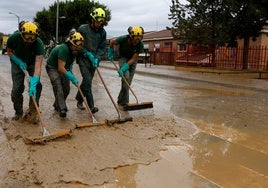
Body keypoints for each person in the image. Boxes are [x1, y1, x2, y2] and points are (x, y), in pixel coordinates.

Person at [7, 21, 45, 123]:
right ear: (21, 34)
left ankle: (33, 113)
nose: (29, 40)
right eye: (27, 36)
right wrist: (18, 61)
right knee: (17, 89)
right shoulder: (13, 38)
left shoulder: (39, 44)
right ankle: (18, 112)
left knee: (37, 87)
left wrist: (34, 81)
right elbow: (9, 51)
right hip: (17, 61)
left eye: (32, 37)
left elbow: (38, 66)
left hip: (32, 63)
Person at [75, 7, 107, 113]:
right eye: (97, 21)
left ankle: (79, 99)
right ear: (92, 19)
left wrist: (97, 57)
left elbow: (102, 47)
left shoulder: (102, 32)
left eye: (101, 22)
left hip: (94, 60)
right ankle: (91, 106)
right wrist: (86, 52)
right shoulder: (82, 29)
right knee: (88, 80)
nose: (99, 24)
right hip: (83, 58)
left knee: (86, 82)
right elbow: (77, 44)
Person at [46, 31, 84, 118]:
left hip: (65, 67)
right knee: (58, 85)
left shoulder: (76, 49)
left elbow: (68, 64)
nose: (77, 49)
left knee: (66, 88)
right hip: (52, 67)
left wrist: (70, 72)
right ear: (70, 43)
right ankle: (62, 108)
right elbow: (60, 68)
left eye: (78, 47)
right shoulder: (64, 48)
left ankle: (57, 105)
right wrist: (72, 77)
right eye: (75, 47)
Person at [107, 26, 144, 108]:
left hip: (132, 61)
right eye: (135, 38)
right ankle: (125, 103)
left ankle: (120, 100)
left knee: (127, 83)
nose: (136, 41)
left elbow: (134, 58)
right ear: (131, 37)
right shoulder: (123, 39)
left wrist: (126, 66)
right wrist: (110, 51)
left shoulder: (140, 45)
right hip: (123, 58)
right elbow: (112, 42)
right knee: (126, 77)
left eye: (139, 39)